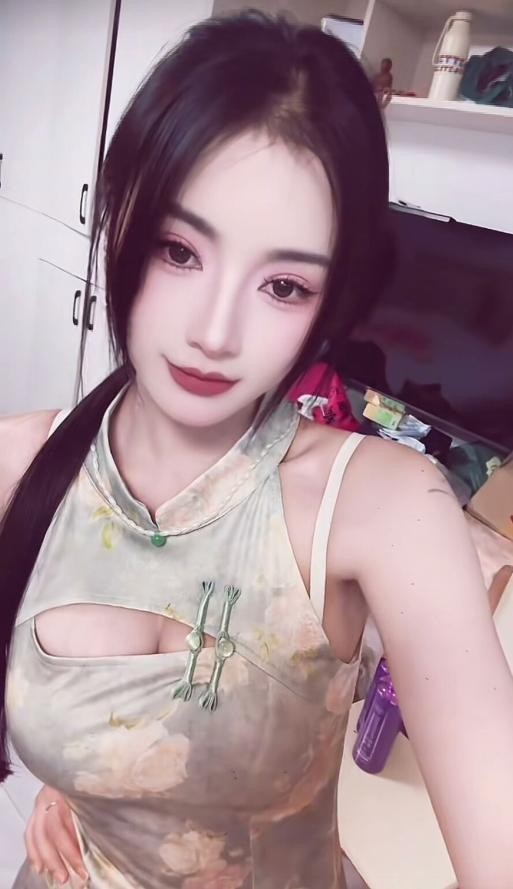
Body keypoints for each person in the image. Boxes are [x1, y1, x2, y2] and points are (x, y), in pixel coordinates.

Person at [1, 10, 513, 889]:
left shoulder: (384, 506)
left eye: (281, 284)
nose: (214, 331)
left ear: (331, 297)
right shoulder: (20, 466)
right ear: (116, 214)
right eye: (178, 249)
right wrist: (80, 780)